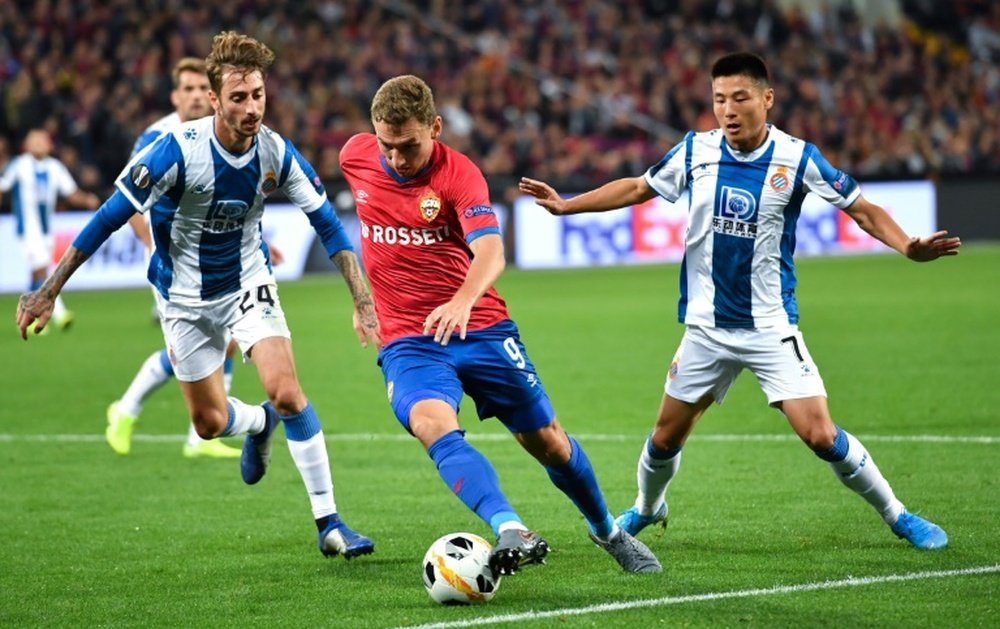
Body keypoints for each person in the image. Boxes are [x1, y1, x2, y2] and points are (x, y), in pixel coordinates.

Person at [519, 52, 960, 552]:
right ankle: (646, 509)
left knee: (819, 435)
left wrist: (907, 246)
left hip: (770, 326)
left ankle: (899, 515)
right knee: (664, 438)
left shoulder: (797, 159)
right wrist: (567, 205)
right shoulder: (695, 151)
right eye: (718, 100)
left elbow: (861, 208)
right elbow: (639, 187)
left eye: (740, 98)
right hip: (705, 328)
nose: (727, 110)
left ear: (767, 99)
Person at [16, 31, 379, 560]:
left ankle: (330, 523)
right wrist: (49, 291)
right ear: (214, 100)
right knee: (208, 424)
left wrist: (362, 300)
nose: (252, 107)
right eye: (239, 98)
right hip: (182, 298)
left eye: (257, 94)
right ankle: (257, 424)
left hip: (247, 284)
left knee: (286, 390)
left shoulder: (276, 151)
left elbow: (328, 225)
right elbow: (108, 219)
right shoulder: (175, 152)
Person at [339, 74, 660, 576]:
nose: (398, 159)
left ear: (436, 128)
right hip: (410, 339)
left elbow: (491, 249)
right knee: (430, 423)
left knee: (548, 440)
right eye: (388, 145)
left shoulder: (458, 174)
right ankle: (511, 527)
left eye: (409, 146)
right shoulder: (354, 157)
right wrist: (362, 300)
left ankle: (608, 531)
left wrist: (464, 299)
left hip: (482, 329)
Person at [105, 57, 243, 459]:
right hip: (170, 264)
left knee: (225, 340)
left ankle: (198, 438)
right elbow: (127, 202)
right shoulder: (155, 136)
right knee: (185, 350)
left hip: (212, 259)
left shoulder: (222, 131)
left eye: (203, 88)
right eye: (189, 89)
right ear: (175, 95)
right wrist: (152, 243)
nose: (197, 96)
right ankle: (126, 409)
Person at [0, 129, 100, 333]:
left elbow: (71, 193)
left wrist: (88, 199)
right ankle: (60, 314)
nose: (38, 143)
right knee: (43, 268)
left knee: (38, 271)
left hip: (47, 231)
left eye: (42, 140)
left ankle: (27, 316)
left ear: (50, 144)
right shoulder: (19, 165)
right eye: (33, 140)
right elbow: (3, 186)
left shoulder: (55, 167)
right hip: (27, 229)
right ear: (26, 145)